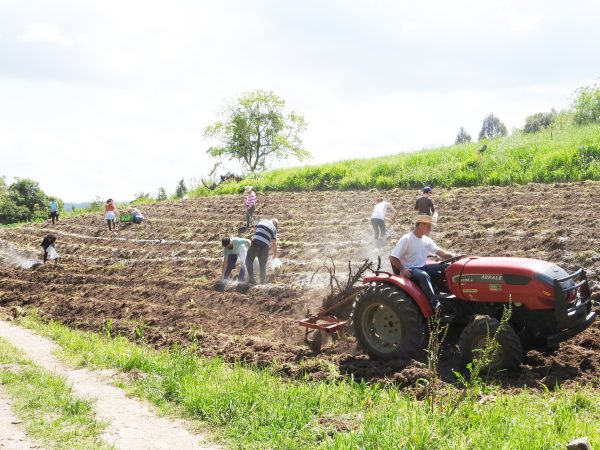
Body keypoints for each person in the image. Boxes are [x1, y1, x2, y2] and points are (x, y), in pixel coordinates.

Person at [389, 215, 454, 310]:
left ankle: (450, 294)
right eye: (428, 226)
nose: (430, 228)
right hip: (411, 269)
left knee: (446, 267)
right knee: (423, 275)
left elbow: (440, 253)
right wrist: (402, 269)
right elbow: (393, 257)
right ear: (420, 225)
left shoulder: (426, 240)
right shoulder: (407, 239)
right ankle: (435, 303)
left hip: (423, 266)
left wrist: (454, 256)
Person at [245, 218, 278, 285]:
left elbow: (254, 230)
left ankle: (252, 279)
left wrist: (254, 239)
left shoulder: (261, 220)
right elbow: (274, 243)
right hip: (265, 247)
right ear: (275, 225)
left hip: (256, 242)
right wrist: (274, 254)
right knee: (263, 265)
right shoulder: (274, 229)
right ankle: (262, 283)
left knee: (249, 260)